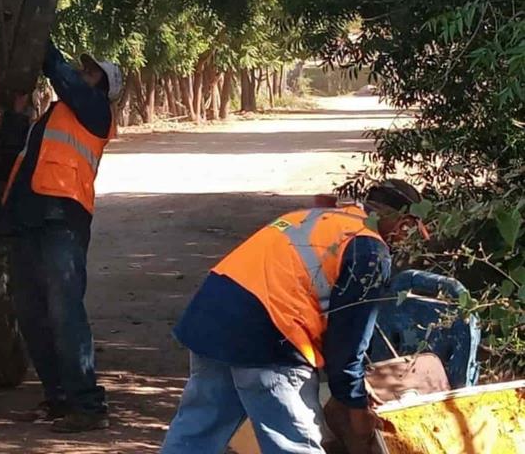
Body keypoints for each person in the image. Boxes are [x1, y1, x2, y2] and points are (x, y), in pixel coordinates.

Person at [160, 179, 427, 454]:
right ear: (403, 223)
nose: (406, 240)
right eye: (411, 232)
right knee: (294, 443)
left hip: (212, 316)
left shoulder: (315, 217)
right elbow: (348, 342)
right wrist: (354, 405)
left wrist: (350, 390)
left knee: (198, 430)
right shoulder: (368, 250)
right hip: (269, 334)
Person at [0, 39, 124, 433]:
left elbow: (62, 76)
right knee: (31, 313)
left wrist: (39, 37)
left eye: (92, 72)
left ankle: (88, 406)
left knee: (64, 311)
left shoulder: (95, 110)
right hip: (26, 219)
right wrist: (18, 116)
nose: (83, 73)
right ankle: (58, 399)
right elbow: (12, 156)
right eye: (84, 69)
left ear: (103, 87)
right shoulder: (52, 117)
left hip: (62, 219)